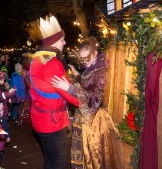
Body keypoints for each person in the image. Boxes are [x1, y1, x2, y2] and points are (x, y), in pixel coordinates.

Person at [51, 37, 123, 169]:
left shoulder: (102, 71)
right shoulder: (92, 66)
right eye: (81, 60)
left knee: (92, 156)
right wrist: (77, 75)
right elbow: (87, 85)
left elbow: (94, 98)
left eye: (86, 59)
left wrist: (69, 88)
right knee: (83, 154)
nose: (84, 63)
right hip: (84, 117)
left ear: (95, 53)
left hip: (93, 121)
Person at [29, 15, 79, 169]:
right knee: (59, 164)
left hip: (41, 119)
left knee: (50, 161)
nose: (64, 42)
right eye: (62, 39)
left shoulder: (38, 58)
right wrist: (91, 100)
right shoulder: (52, 63)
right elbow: (70, 95)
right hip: (52, 123)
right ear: (54, 42)